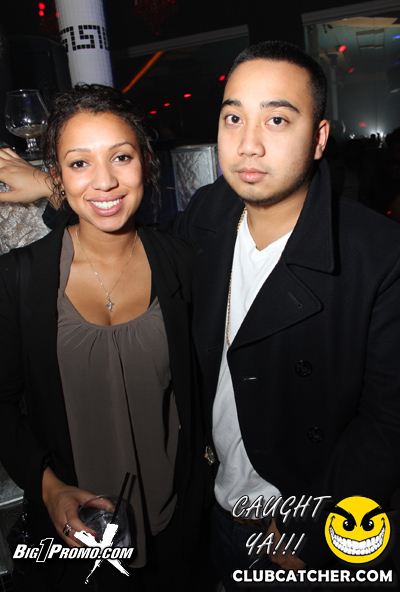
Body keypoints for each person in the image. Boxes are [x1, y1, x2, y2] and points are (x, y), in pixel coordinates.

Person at [3, 41, 400, 591]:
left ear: (319, 137)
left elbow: (387, 424)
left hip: (294, 529)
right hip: (207, 513)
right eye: (233, 117)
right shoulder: (209, 216)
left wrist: (317, 531)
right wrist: (56, 186)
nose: (249, 143)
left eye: (277, 119)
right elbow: (120, 228)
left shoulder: (377, 255)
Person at [0, 84, 205, 592]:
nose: (105, 180)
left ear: (146, 163)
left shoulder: (183, 262)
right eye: (79, 163)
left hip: (176, 529)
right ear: (56, 175)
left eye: (121, 156)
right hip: (73, 541)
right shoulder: (19, 279)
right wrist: (50, 489)